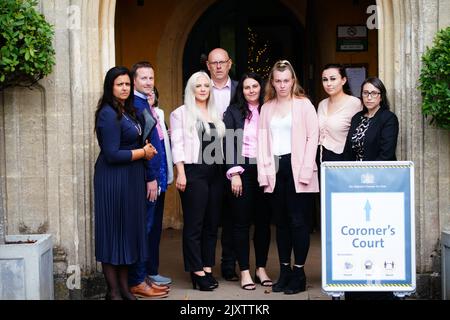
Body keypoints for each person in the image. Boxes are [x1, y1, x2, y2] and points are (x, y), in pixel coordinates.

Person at [94, 66, 157, 300]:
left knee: (126, 234)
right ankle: (113, 292)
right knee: (113, 235)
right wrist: (143, 152)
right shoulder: (107, 113)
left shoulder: (129, 110)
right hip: (112, 180)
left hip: (130, 179)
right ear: (110, 87)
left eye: (127, 84)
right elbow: (111, 154)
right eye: (119, 84)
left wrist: (143, 152)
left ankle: (124, 287)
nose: (124, 88)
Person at [257, 60, 319, 295]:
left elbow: (313, 138)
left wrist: (305, 171)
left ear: (293, 80)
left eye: (286, 80)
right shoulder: (267, 107)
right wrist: (264, 174)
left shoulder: (304, 105)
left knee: (298, 222)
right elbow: (263, 142)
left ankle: (299, 273)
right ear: (272, 82)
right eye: (278, 80)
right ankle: (284, 272)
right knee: (281, 223)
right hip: (275, 169)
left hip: (298, 169)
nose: (282, 85)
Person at [342, 77, 399, 300]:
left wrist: (370, 180)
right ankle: (355, 284)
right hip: (354, 186)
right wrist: (346, 177)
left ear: (381, 96)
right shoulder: (357, 118)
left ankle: (381, 286)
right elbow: (349, 151)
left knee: (377, 235)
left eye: (374, 93)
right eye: (365, 93)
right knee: (358, 236)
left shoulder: (388, 119)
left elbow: (386, 153)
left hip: (380, 186)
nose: (369, 97)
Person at [170, 71, 225, 291]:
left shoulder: (215, 112)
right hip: (193, 172)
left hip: (215, 173)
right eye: (198, 86)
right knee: (195, 225)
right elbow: (178, 144)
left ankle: (207, 267)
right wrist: (181, 172)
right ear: (191, 89)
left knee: (212, 224)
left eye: (206, 86)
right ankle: (196, 271)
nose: (203, 89)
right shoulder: (180, 114)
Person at [223, 72, 272, 290]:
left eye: (254, 86)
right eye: (246, 87)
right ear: (240, 91)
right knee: (241, 223)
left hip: (267, 169)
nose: (251, 90)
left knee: (263, 222)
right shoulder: (233, 112)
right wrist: (234, 173)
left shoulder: (270, 109)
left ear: (260, 88)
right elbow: (228, 144)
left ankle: (261, 268)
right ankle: (244, 270)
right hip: (242, 171)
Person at [127, 61, 169, 299]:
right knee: (144, 229)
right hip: (148, 179)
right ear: (134, 80)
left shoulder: (146, 103)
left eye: (151, 78)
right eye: (143, 78)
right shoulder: (137, 105)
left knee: (149, 228)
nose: (148, 82)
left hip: (157, 177)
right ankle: (137, 281)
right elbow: (145, 145)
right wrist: (151, 177)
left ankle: (143, 278)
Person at [206, 47, 239, 281]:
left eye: (222, 62)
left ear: (230, 64)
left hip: (236, 156)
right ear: (208, 66)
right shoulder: (200, 87)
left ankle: (229, 264)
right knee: (209, 214)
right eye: (213, 62)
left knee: (233, 215)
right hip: (207, 157)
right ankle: (205, 266)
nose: (218, 66)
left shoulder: (241, 88)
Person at [147, 86, 174, 285]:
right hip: (147, 181)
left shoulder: (159, 117)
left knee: (155, 226)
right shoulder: (138, 115)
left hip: (161, 179)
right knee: (146, 226)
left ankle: (152, 270)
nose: (149, 95)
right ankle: (141, 275)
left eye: (152, 92)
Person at [317, 64, 362, 162]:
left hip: (343, 158)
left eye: (333, 79)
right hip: (321, 157)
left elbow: (361, 135)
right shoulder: (322, 104)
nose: (328, 83)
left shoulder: (355, 103)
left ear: (343, 80)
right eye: (325, 80)